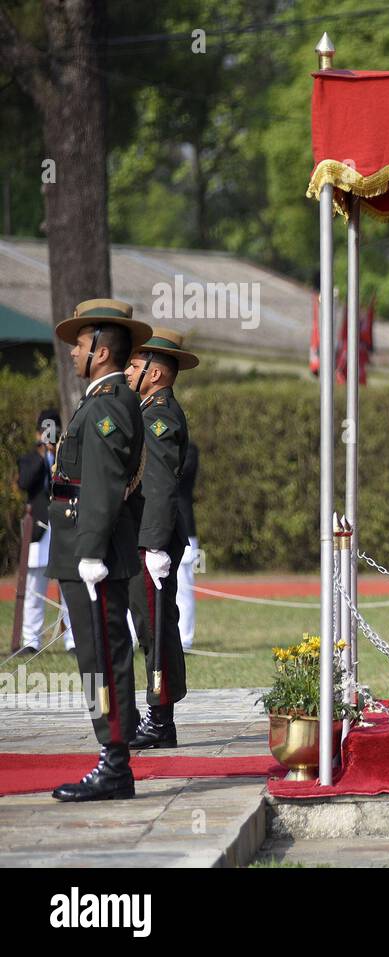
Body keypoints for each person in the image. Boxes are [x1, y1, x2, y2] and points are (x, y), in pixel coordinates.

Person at [47, 299, 152, 802]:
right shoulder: (101, 398)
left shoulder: (109, 402)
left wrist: (90, 550)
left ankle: (114, 763)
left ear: (102, 351)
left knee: (103, 659)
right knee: (93, 657)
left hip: (95, 550)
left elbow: (104, 482)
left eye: (81, 343)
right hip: (83, 545)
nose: (72, 352)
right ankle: (111, 756)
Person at [124, 328, 198, 750]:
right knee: (150, 626)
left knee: (155, 628)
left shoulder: (160, 415)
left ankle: (160, 718)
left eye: (136, 366)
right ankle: (157, 715)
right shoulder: (148, 410)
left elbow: (160, 485)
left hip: (152, 539)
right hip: (145, 535)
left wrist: (152, 545)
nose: (130, 372)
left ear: (155, 374)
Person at [15, 408, 74, 652]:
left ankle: (73, 641)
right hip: (39, 529)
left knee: (69, 587)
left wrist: (57, 453)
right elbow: (25, 482)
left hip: (62, 528)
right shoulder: (30, 459)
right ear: (38, 433)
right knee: (34, 588)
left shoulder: (67, 457)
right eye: (45, 430)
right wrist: (42, 455)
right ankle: (31, 641)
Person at [176, 441, 200, 651]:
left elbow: (179, 475)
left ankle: (185, 639)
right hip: (155, 527)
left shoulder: (189, 450)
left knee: (183, 589)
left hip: (183, 527)